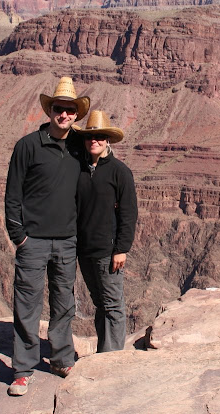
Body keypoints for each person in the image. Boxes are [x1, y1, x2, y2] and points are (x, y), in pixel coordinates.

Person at [4, 77, 90, 396]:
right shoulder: (28, 146)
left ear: (76, 114)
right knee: (27, 303)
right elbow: (13, 194)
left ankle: (60, 358)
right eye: (59, 108)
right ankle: (23, 370)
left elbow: (99, 182)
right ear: (49, 110)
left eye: (69, 110)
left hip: (67, 240)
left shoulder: (80, 147)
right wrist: (20, 236)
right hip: (34, 241)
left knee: (64, 301)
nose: (64, 115)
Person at [74, 110, 138, 353]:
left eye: (100, 136)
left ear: (107, 140)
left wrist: (122, 248)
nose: (95, 141)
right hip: (84, 250)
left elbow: (129, 212)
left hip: (108, 250)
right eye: (90, 136)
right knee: (100, 303)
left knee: (112, 305)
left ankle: (112, 359)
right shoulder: (78, 170)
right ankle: (105, 351)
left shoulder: (119, 172)